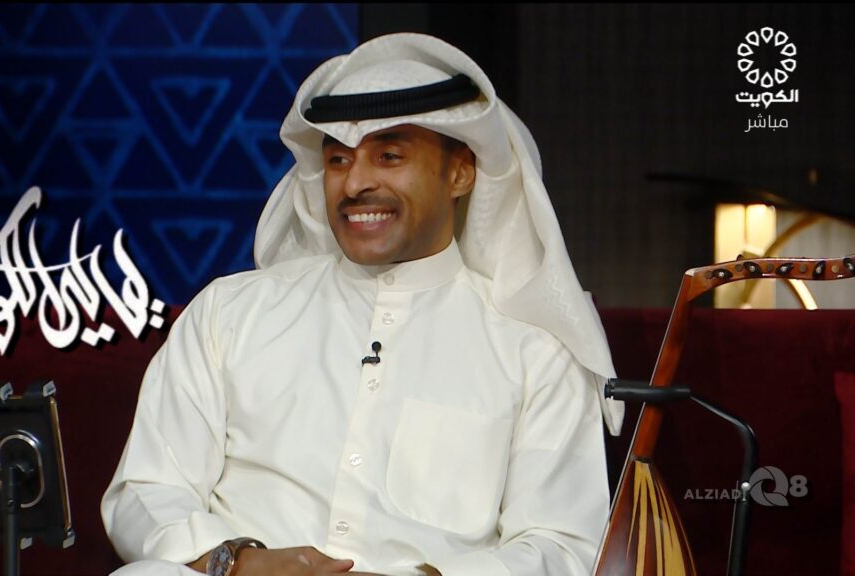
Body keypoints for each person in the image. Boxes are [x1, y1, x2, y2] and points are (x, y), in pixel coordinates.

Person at [101, 33, 624, 576]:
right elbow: (147, 489)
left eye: (389, 156)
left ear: (460, 172)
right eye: (337, 160)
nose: (354, 183)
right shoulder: (229, 314)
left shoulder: (533, 349)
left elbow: (562, 545)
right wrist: (236, 562)